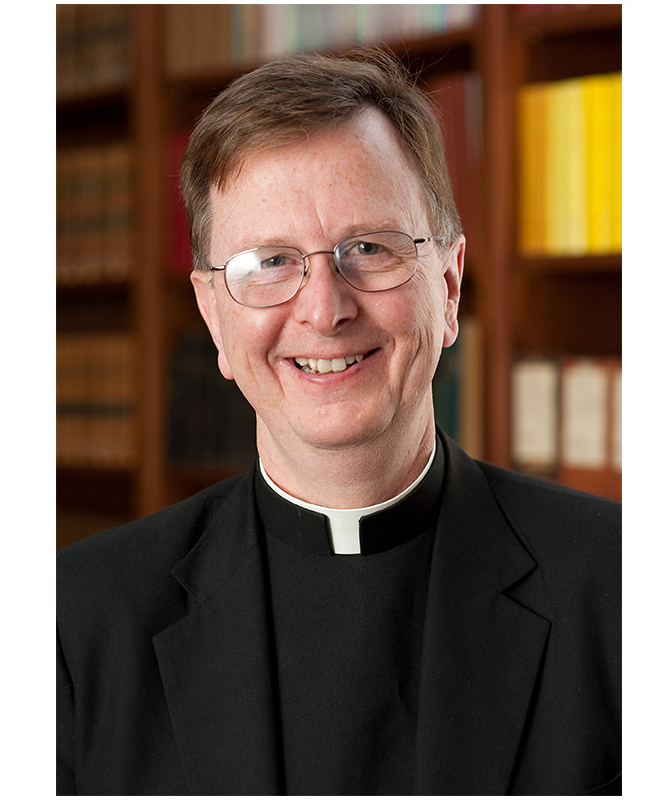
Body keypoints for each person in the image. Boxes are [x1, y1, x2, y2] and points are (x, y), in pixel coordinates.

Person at [57, 49, 620, 796]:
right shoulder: (76, 621)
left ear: (447, 288)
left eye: (369, 249)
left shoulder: (626, 588)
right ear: (214, 317)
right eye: (270, 262)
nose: (325, 309)